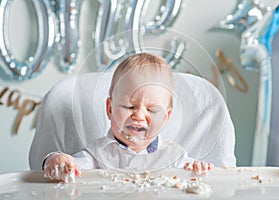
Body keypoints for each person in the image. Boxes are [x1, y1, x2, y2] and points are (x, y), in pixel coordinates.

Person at [43, 53, 213, 182]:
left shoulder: (173, 156)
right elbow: (72, 168)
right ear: (109, 109)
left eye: (152, 110)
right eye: (129, 106)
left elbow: (194, 177)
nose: (138, 115)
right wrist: (57, 160)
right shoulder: (98, 154)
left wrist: (198, 168)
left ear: (166, 117)